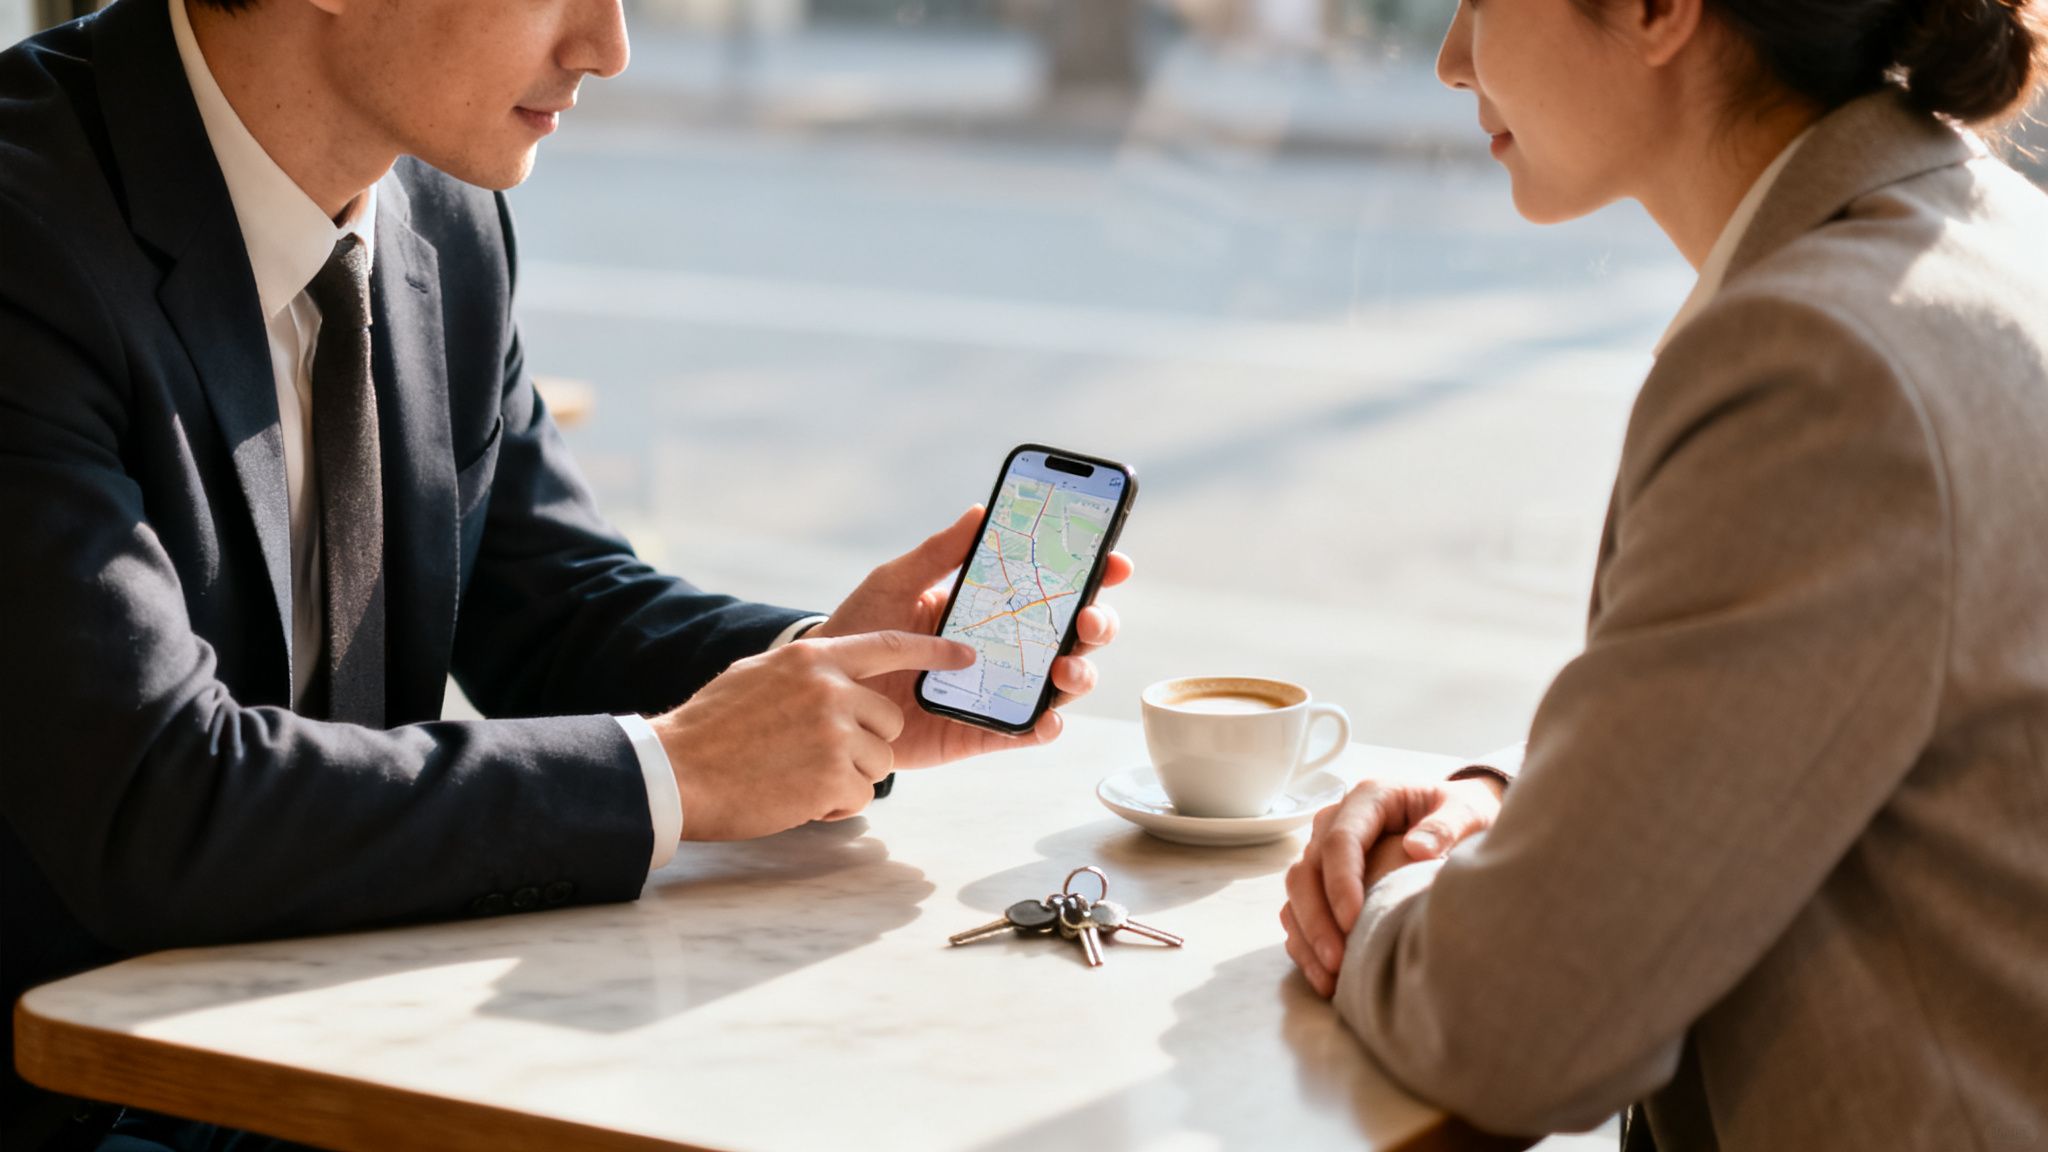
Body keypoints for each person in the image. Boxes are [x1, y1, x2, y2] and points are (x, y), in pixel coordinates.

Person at [0, 1, 1129, 1146]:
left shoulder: (442, 208)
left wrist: (830, 681)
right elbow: (153, 802)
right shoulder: (25, 231)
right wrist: (677, 770)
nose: (609, 46)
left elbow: (548, 600)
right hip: (83, 1102)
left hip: (325, 1033)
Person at [1281, 0, 2048, 1148]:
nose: (1448, 60)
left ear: (1653, 10)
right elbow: (1837, 709)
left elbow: (1515, 1022)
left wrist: (1399, 897)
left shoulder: (1822, 358)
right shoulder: (1974, 233)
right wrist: (1517, 807)